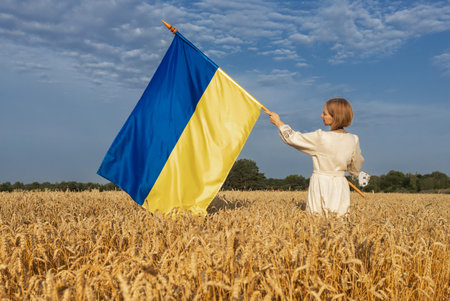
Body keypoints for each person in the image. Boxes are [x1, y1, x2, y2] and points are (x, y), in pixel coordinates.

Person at [267, 98, 364, 216]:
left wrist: (278, 122)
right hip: (340, 184)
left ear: (335, 117)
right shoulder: (354, 139)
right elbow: (355, 167)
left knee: (317, 220)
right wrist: (339, 171)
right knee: (340, 221)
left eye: (325, 113)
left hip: (321, 183)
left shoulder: (321, 137)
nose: (321, 115)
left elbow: (293, 138)